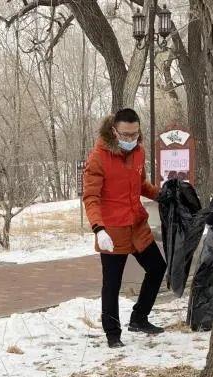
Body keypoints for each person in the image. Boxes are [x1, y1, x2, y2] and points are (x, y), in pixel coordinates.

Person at [82, 108, 167, 349]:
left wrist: (161, 195)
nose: (131, 140)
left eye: (135, 134)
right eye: (126, 135)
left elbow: (140, 184)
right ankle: (112, 333)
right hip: (112, 231)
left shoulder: (139, 152)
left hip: (137, 226)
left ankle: (139, 318)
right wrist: (99, 229)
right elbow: (91, 197)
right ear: (114, 131)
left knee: (157, 267)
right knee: (112, 283)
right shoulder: (98, 157)